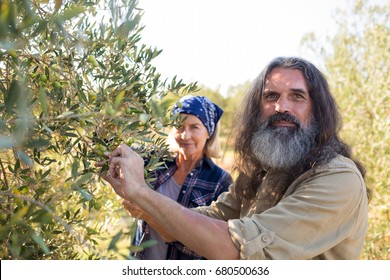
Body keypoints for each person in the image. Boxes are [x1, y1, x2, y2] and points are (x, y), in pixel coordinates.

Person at [100, 57, 369, 260]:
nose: (281, 107)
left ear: (318, 110)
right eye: (270, 96)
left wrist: (141, 193)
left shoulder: (338, 179)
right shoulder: (263, 174)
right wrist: (139, 198)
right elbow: (191, 225)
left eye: (297, 96)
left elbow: (234, 249)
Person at [126, 95, 232, 260]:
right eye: (179, 127)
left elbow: (209, 246)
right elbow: (118, 153)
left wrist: (147, 215)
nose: (185, 135)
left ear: (208, 133)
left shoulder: (220, 181)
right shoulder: (156, 161)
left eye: (194, 127)